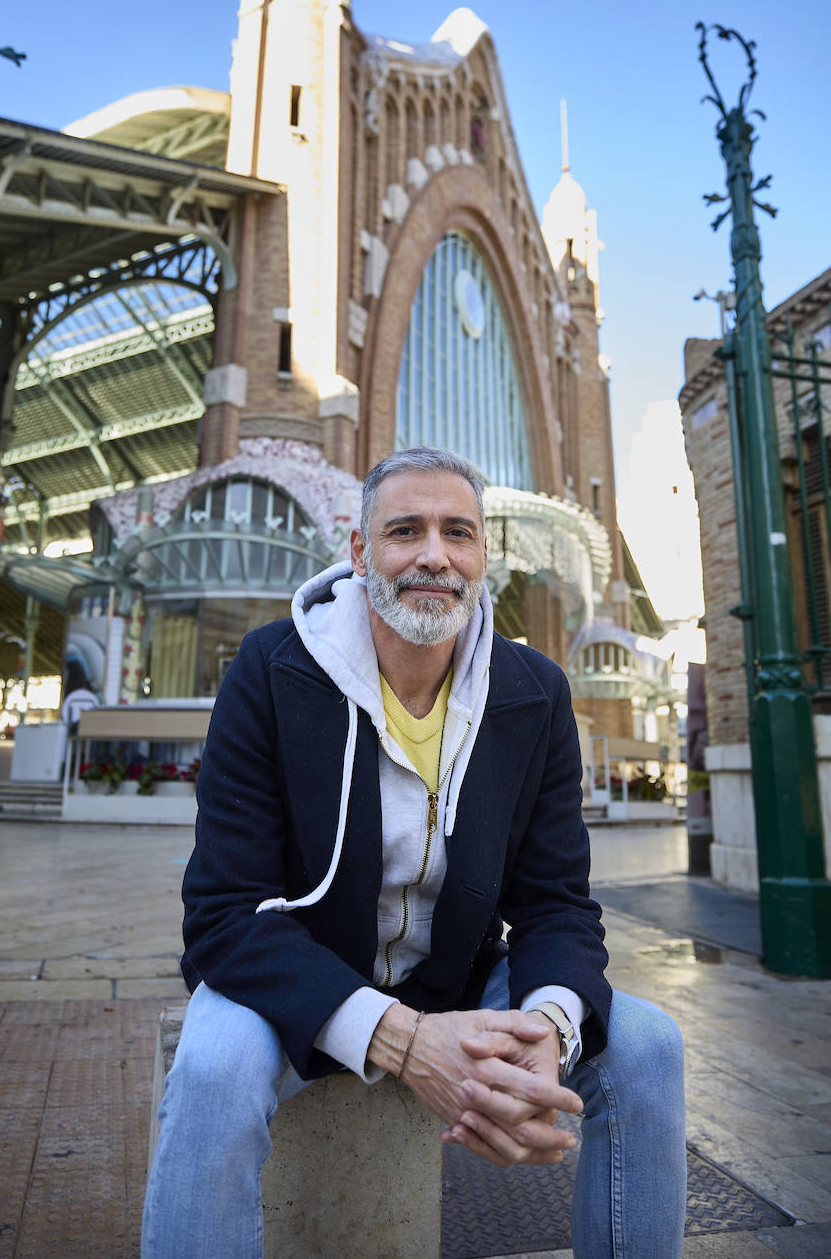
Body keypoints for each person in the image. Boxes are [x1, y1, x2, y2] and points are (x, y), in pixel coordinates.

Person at [142, 447, 686, 1259]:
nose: (433, 553)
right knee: (214, 1068)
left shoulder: (532, 691)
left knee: (648, 1046)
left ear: (481, 558)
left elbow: (555, 903)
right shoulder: (271, 669)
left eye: (457, 532)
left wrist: (548, 1023)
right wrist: (397, 1038)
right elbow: (223, 914)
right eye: (405, 530)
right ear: (361, 554)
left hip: (459, 974)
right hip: (294, 977)